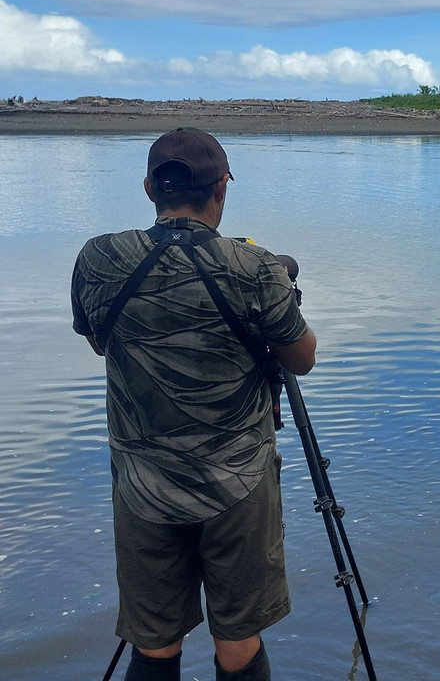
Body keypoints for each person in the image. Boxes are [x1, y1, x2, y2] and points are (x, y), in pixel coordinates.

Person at [71, 128, 317, 681]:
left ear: (148, 188)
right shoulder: (255, 269)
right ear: (221, 188)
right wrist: (279, 291)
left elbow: (100, 341)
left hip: (143, 482)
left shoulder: (98, 258)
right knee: (238, 638)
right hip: (238, 481)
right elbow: (301, 359)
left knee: (154, 643)